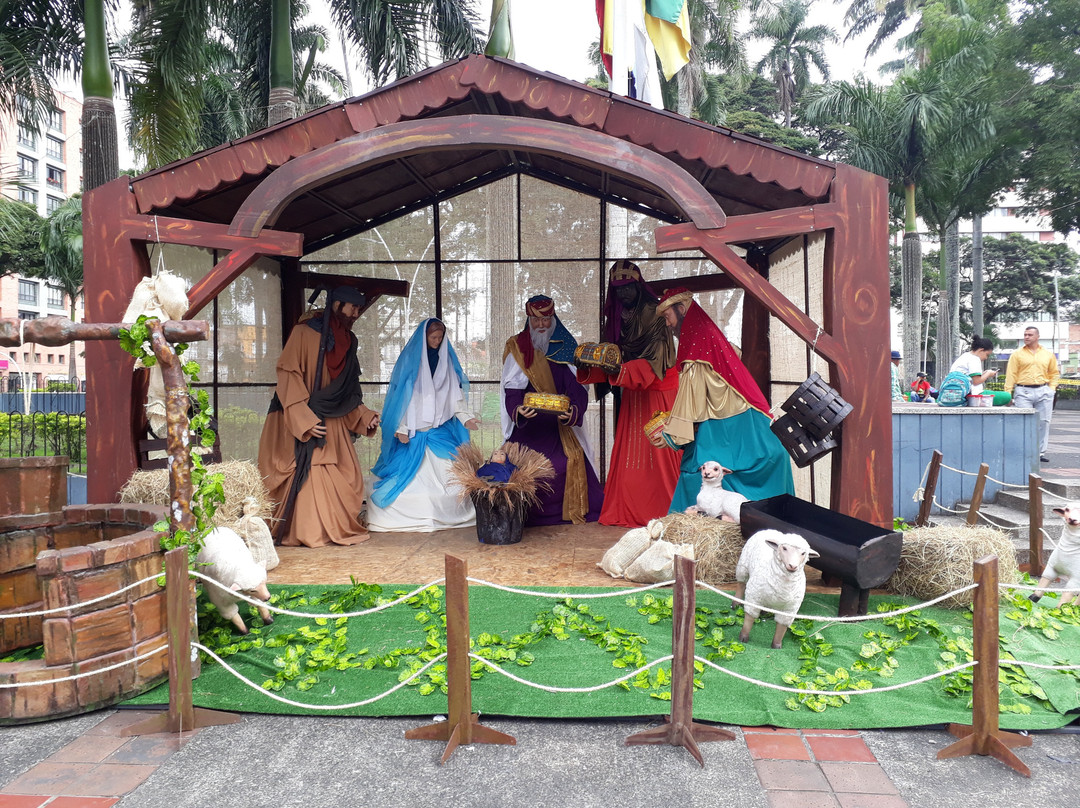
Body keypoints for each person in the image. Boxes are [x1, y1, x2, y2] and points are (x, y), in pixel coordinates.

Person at [258, 286, 380, 548]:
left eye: (359, 308)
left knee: (348, 474)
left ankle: (331, 529)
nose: (356, 313)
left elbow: (346, 392)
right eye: (352, 307)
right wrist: (304, 419)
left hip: (331, 420)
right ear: (336, 305)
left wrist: (364, 416)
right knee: (313, 471)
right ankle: (308, 532)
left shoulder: (349, 340)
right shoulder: (303, 333)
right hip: (297, 418)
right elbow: (288, 375)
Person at [654, 288, 794, 513]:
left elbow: (692, 403)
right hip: (738, 419)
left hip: (727, 424)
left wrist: (670, 434)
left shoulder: (696, 346)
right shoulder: (708, 332)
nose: (668, 325)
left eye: (668, 317)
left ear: (681, 310)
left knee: (695, 470)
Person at [575, 260, 681, 527]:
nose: (622, 294)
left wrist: (620, 370)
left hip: (656, 390)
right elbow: (613, 356)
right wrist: (591, 365)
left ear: (637, 285)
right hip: (631, 391)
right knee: (630, 456)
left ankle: (669, 512)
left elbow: (657, 359)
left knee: (660, 455)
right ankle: (626, 509)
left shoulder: (654, 313)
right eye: (617, 288)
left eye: (627, 287)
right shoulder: (618, 316)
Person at [366, 318, 479, 532]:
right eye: (433, 337)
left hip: (440, 433)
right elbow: (403, 399)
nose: (437, 341)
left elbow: (455, 396)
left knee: (453, 482)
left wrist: (466, 417)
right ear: (424, 337)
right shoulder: (411, 363)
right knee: (412, 488)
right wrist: (401, 428)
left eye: (440, 337)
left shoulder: (446, 363)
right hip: (413, 432)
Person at [501, 295, 603, 525]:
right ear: (528, 320)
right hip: (528, 428)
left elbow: (579, 388)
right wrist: (517, 410)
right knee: (515, 465)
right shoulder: (519, 347)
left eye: (546, 319)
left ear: (553, 318)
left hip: (559, 428)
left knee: (565, 462)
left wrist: (574, 412)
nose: (541, 325)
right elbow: (512, 389)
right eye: (536, 320)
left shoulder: (567, 347)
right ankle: (518, 516)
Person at [1005, 326, 1060, 463]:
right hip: (1023, 391)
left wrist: (1052, 388)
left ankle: (1040, 453)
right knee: (1023, 421)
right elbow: (1011, 374)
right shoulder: (1017, 354)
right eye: (1025, 334)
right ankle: (1023, 451)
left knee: (1044, 422)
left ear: (1037, 336)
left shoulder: (1047, 354)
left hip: (1043, 390)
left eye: (1029, 335)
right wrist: (1007, 393)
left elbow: (1054, 373)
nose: (1026, 337)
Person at [950, 336, 1010, 406]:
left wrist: (984, 374)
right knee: (1007, 396)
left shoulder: (965, 356)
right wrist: (988, 373)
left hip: (957, 393)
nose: (986, 358)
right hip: (972, 395)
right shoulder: (975, 359)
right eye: (987, 355)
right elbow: (976, 381)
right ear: (981, 350)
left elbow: (972, 377)